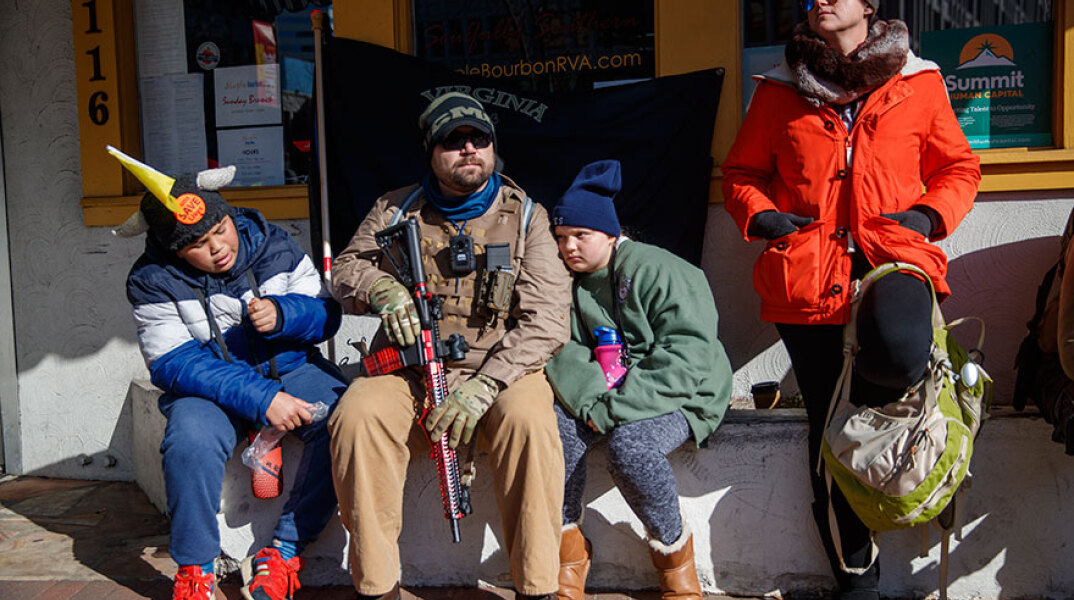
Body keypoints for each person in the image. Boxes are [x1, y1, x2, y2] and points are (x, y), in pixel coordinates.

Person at [720, 1, 980, 598]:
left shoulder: (918, 80)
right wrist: (764, 220)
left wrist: (926, 217)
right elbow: (741, 174)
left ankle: (925, 479)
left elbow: (959, 168)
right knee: (831, 435)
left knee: (897, 360)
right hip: (807, 278)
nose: (819, 2)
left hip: (892, 260)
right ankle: (857, 579)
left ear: (869, 6)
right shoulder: (780, 89)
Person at [328, 92, 571, 600]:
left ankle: (538, 587)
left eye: (477, 140)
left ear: (492, 147)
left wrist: (485, 387)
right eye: (452, 141)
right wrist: (382, 289)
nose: (468, 150)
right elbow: (346, 269)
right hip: (411, 370)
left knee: (530, 424)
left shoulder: (527, 216)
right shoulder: (395, 208)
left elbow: (547, 320)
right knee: (357, 415)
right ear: (431, 153)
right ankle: (377, 587)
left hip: (502, 372)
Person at [111, 147, 346, 600]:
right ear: (172, 249)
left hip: (292, 367)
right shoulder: (151, 280)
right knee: (189, 440)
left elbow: (325, 314)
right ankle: (195, 569)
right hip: (210, 388)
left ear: (230, 216)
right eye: (197, 245)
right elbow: (172, 363)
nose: (218, 247)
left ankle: (284, 550)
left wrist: (285, 315)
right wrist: (262, 401)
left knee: (345, 419)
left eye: (220, 230)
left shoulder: (274, 243)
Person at [545, 160, 732, 600]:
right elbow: (563, 349)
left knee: (630, 447)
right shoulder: (570, 284)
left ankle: (674, 562)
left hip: (687, 394)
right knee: (553, 434)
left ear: (610, 233)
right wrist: (592, 402)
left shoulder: (660, 269)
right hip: (608, 394)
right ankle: (569, 553)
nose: (568, 247)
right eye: (560, 238)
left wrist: (612, 410)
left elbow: (686, 356)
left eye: (580, 236)